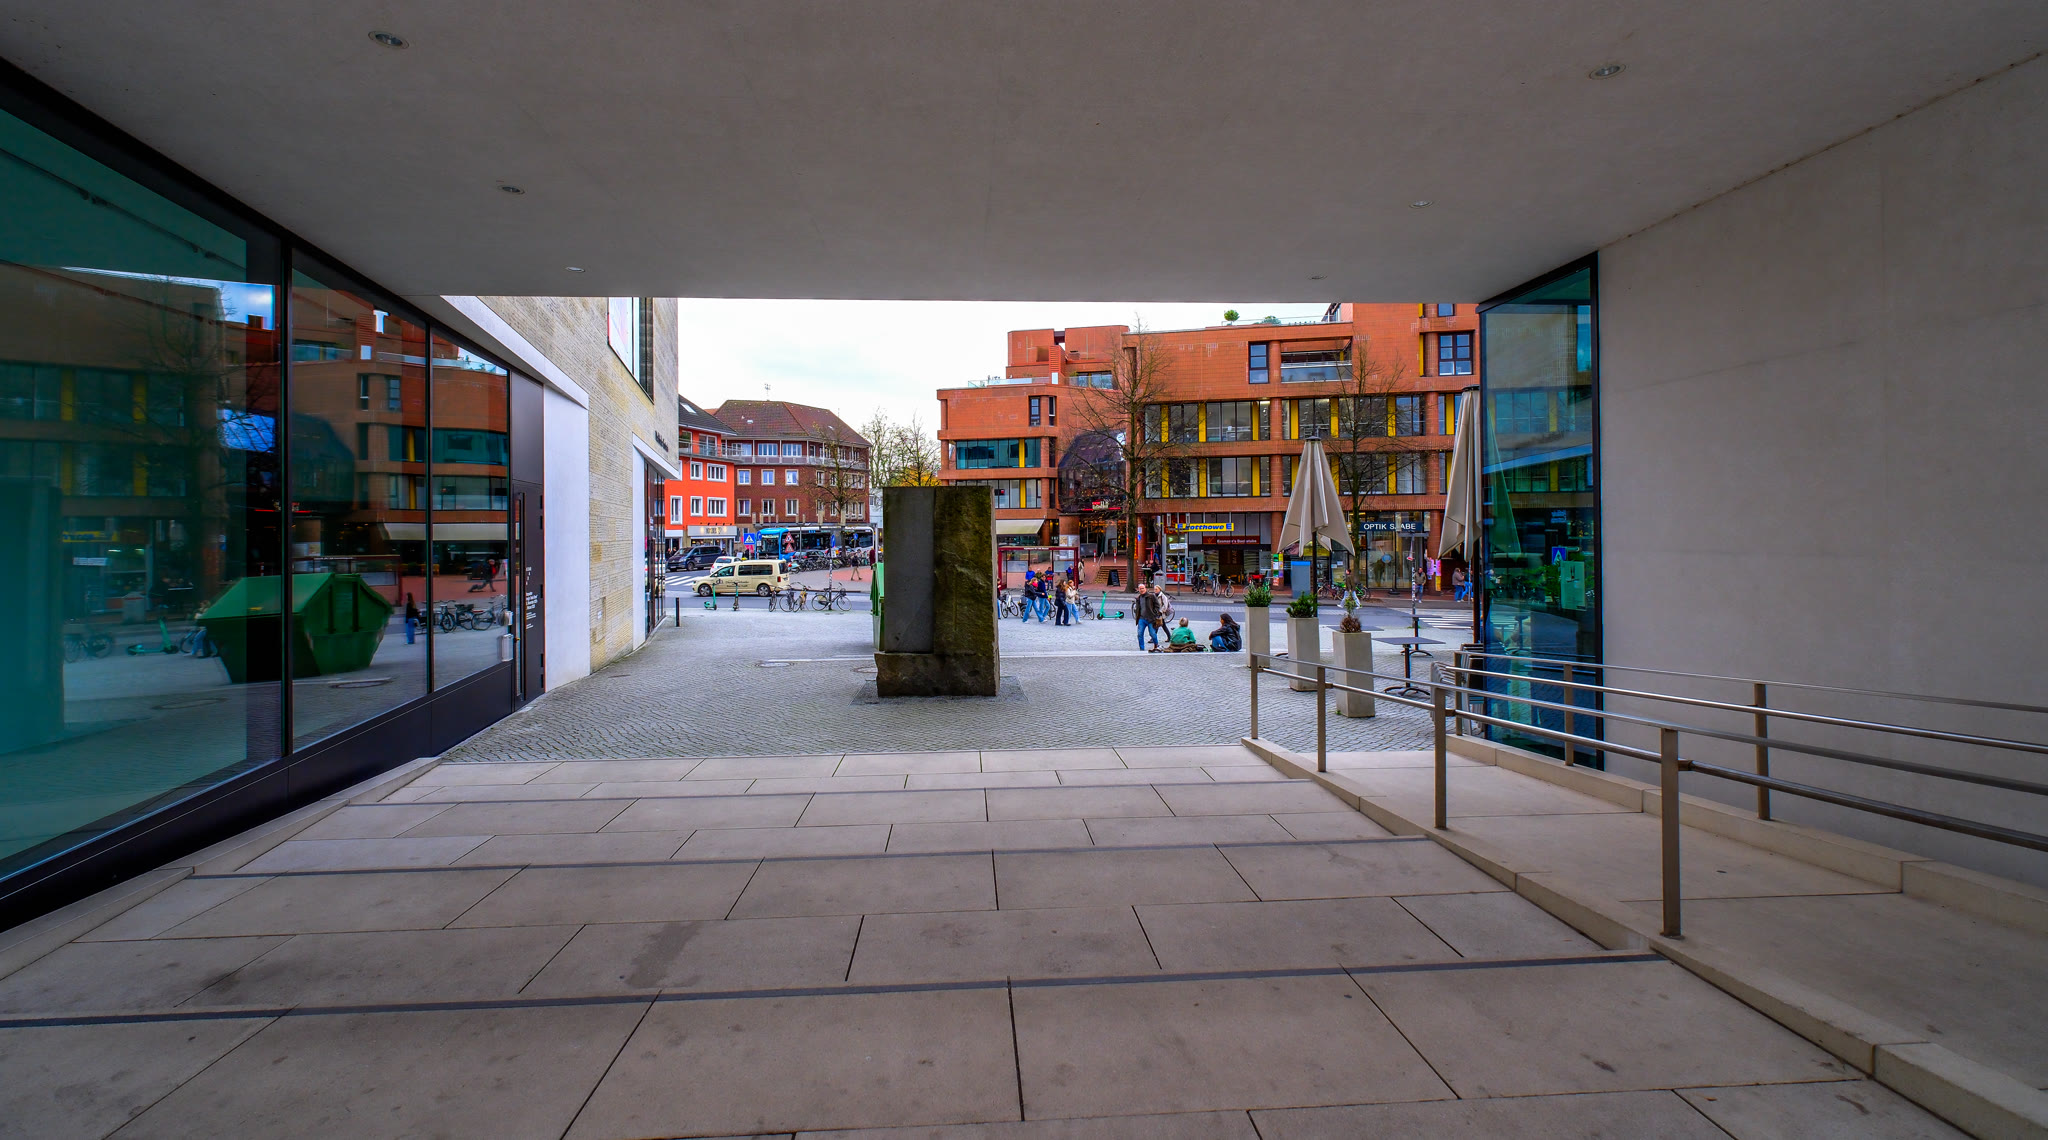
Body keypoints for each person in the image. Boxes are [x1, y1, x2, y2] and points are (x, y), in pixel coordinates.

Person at [1133, 584, 1162, 650]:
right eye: (1140, 589)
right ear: (1138, 590)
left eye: (1142, 588)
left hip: (1150, 618)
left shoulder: (1151, 596)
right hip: (1141, 618)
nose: (1141, 590)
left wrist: (1155, 613)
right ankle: (1142, 648)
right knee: (1140, 634)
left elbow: (1157, 606)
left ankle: (1156, 645)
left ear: (1145, 588)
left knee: (1152, 634)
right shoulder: (1138, 598)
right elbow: (1138, 608)